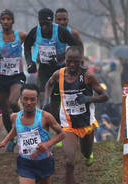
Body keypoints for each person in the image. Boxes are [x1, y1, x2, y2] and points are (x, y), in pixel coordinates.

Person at [44, 46, 108, 184]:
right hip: (68, 125)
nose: (72, 65)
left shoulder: (88, 76)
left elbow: (104, 96)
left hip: (86, 123)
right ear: (65, 61)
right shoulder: (58, 74)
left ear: (81, 61)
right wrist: (46, 101)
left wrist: (87, 99)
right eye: (69, 61)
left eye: (76, 62)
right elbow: (49, 84)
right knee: (69, 162)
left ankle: (88, 154)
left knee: (85, 152)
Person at [0, 84, 65, 184]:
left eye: (32, 99)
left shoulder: (45, 117)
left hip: (44, 161)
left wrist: (47, 144)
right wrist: (4, 142)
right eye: (25, 99)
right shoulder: (15, 117)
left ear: (37, 100)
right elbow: (16, 130)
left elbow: (62, 134)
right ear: (20, 99)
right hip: (25, 163)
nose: (29, 103)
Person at [0, 9, 27, 151]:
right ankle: (12, 138)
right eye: (3, 19)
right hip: (1, 77)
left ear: (12, 21)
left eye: (8, 19)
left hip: (16, 76)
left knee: (12, 102)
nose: (6, 22)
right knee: (4, 110)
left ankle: (25, 118)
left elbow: (30, 46)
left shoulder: (21, 36)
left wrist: (32, 60)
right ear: (0, 21)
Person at [24, 8, 79, 109]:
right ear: (39, 22)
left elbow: (75, 47)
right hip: (44, 69)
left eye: (47, 24)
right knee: (42, 95)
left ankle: (56, 119)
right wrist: (30, 62)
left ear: (52, 21)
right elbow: (27, 47)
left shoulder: (61, 31)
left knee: (55, 99)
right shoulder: (35, 31)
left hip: (60, 69)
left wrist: (60, 57)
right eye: (42, 24)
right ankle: (43, 115)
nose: (44, 27)